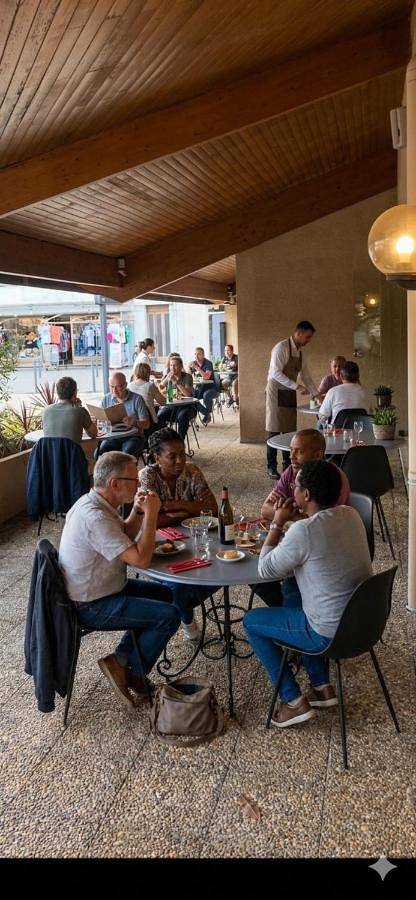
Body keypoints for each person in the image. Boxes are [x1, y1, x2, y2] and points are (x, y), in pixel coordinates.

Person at [244, 460, 373, 728]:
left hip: (327, 633)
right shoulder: (349, 514)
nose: (292, 488)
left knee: (251, 622)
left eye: (296, 485)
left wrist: (278, 523)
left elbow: (265, 569)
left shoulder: (304, 531)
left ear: (306, 495)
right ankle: (321, 686)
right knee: (292, 590)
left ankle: (292, 701)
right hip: (363, 625)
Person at [58, 451, 180, 708]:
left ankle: (122, 659)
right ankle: (134, 674)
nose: (140, 485)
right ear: (115, 484)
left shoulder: (97, 503)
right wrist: (151, 516)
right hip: (91, 605)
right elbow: (141, 559)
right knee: (168, 616)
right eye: (134, 480)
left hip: (105, 589)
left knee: (168, 594)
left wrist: (136, 510)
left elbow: (123, 532)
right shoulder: (95, 518)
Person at [139, 428, 219, 640]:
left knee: (219, 568)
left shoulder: (192, 471)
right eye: (172, 456)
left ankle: (181, 604)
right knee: (177, 583)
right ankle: (186, 616)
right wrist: (188, 512)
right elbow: (150, 520)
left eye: (182, 454)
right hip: (159, 546)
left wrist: (173, 506)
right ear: (157, 458)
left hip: (194, 540)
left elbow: (212, 509)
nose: (179, 461)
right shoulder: (147, 476)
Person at [265, 321, 320, 479]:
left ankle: (288, 465)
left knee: (289, 429)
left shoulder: (301, 353)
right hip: (275, 391)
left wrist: (316, 394)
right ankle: (271, 466)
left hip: (288, 392)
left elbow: (306, 377)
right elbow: (275, 373)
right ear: (299, 333)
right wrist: (296, 386)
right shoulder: (281, 348)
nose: (308, 340)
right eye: (307, 337)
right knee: (274, 429)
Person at [261, 429, 350, 521]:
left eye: (299, 452)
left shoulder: (333, 477)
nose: (292, 456)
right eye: (291, 450)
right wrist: (296, 516)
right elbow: (265, 510)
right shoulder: (292, 470)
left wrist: (287, 515)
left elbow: (326, 521)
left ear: (317, 455)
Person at [96, 371, 149, 458]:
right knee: (99, 453)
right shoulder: (106, 398)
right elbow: (100, 417)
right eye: (112, 387)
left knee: (126, 455)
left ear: (125, 385)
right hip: (112, 437)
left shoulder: (137, 399)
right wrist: (98, 418)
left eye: (118, 387)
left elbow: (146, 424)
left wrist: (134, 422)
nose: (114, 391)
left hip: (133, 436)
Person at [43, 376, 97, 444]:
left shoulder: (46, 411)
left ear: (58, 392)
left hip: (50, 454)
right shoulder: (80, 411)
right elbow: (94, 434)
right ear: (74, 393)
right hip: (72, 454)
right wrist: (79, 406)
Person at [319, 361, 371, 425]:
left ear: (341, 376)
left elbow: (323, 416)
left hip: (337, 432)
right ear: (358, 376)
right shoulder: (366, 391)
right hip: (361, 430)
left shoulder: (333, 391)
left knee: (319, 424)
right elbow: (372, 413)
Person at [157, 356, 196, 441]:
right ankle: (165, 441)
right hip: (172, 406)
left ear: (181, 366)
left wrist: (177, 382)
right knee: (159, 416)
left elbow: (188, 395)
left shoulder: (187, 377)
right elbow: (160, 387)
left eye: (175, 365)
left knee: (182, 417)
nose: (172, 368)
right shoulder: (169, 376)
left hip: (186, 407)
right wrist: (165, 382)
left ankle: (180, 442)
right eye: (171, 365)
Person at [129, 362, 165, 436]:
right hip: (149, 419)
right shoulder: (149, 385)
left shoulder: (129, 386)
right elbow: (163, 402)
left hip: (133, 418)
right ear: (148, 373)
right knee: (162, 421)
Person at [187, 346, 218, 425]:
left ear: (203, 355)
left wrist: (197, 368)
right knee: (191, 398)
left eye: (198, 354)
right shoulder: (193, 363)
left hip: (211, 388)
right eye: (195, 354)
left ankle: (207, 414)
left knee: (206, 395)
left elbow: (207, 376)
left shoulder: (208, 363)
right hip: (199, 387)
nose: (196, 356)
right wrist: (189, 368)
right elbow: (188, 377)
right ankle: (206, 414)